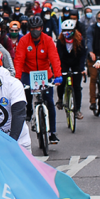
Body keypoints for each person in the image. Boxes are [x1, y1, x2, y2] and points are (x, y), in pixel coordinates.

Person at [14, 16, 63, 145]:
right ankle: (29, 111)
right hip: (27, 73)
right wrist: (17, 78)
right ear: (29, 29)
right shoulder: (24, 41)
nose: (35, 30)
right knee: (26, 97)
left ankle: (52, 132)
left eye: (37, 28)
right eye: (32, 28)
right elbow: (19, 60)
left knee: (50, 102)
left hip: (45, 74)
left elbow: (54, 58)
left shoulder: (48, 40)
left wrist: (58, 75)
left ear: (41, 28)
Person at [55, 19, 87, 120]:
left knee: (77, 87)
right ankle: (60, 99)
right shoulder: (60, 41)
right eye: (65, 30)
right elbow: (58, 55)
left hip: (76, 63)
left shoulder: (80, 40)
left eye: (69, 30)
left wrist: (82, 69)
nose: (67, 33)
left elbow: (82, 55)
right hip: (64, 62)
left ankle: (77, 110)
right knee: (62, 81)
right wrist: (59, 70)